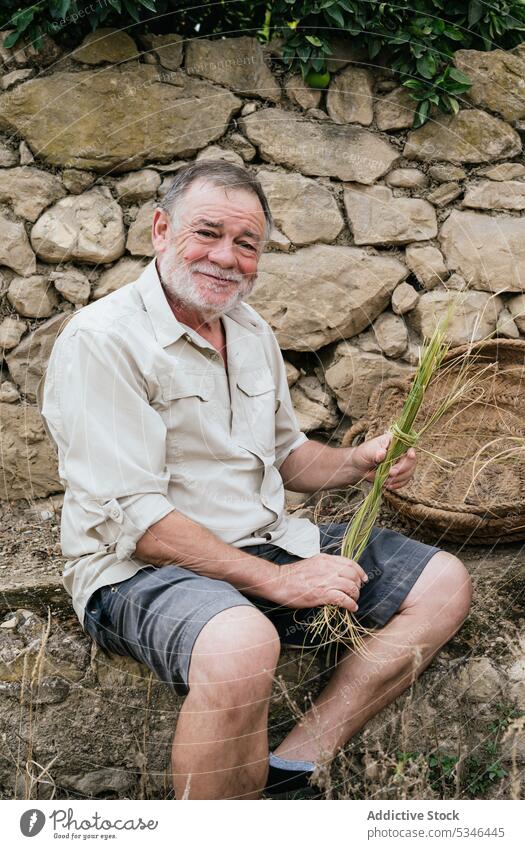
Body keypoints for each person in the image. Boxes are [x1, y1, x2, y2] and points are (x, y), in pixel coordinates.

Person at [40, 160, 472, 800]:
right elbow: (142, 523)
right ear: (160, 229)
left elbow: (288, 456)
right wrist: (282, 581)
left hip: (263, 541)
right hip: (139, 570)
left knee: (444, 583)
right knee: (244, 643)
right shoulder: (103, 340)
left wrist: (358, 462)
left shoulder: (248, 329)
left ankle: (291, 773)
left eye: (247, 244)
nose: (226, 257)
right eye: (207, 233)